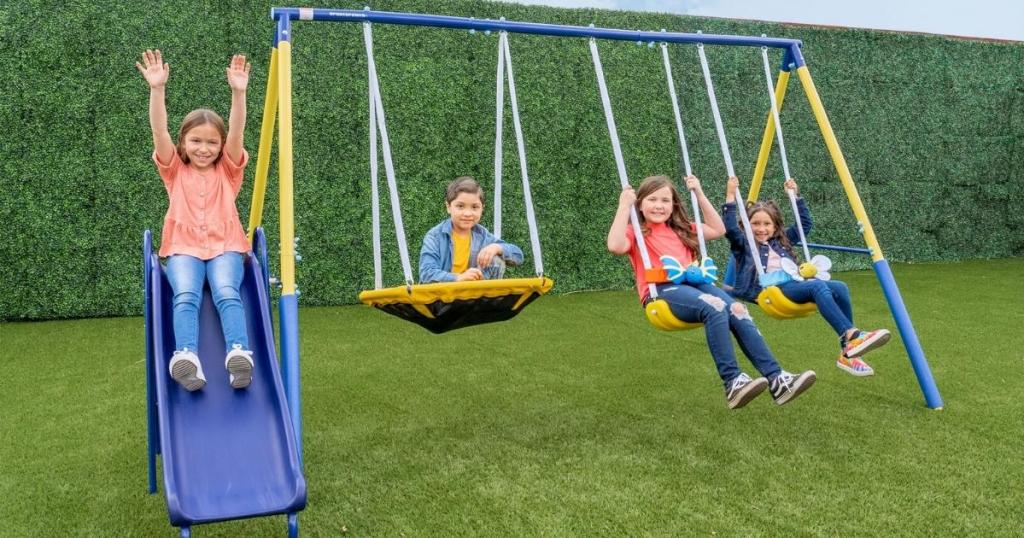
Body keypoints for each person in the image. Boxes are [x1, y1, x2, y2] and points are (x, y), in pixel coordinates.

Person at [608, 175, 816, 408]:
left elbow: (717, 229)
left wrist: (699, 193)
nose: (659, 205)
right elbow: (615, 246)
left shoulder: (683, 229)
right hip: (663, 290)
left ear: (674, 204)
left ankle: (777, 379)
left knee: (738, 309)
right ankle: (733, 381)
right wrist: (623, 206)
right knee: (715, 306)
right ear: (640, 204)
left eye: (665, 200)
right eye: (652, 199)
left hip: (696, 285)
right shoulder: (636, 231)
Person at [137, 49, 255, 391]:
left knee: (226, 291)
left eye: (211, 143)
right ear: (184, 144)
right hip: (184, 248)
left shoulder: (228, 171)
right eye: (196, 141)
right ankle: (186, 356)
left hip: (225, 247)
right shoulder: (174, 171)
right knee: (185, 293)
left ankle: (239, 354)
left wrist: (239, 93)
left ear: (220, 147)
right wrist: (157, 90)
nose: (204, 148)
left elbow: (236, 132)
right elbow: (159, 131)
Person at [723, 177, 891, 376]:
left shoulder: (782, 240)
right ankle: (850, 335)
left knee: (840, 287)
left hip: (791, 284)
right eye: (755, 223)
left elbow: (805, 224)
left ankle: (848, 353)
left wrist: (796, 197)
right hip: (770, 291)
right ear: (747, 226)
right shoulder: (744, 244)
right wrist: (730, 196)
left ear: (775, 227)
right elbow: (731, 229)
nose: (761, 228)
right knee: (817, 286)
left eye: (766, 224)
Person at [419, 176, 524, 283]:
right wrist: (458, 278)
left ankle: (487, 296)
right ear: (448, 207)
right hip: (442, 296)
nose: (468, 213)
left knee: (496, 260)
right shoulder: (435, 236)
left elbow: (518, 256)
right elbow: (427, 273)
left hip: (474, 295)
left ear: (482, 208)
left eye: (474, 207)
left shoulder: (482, 235)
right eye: (460, 206)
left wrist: (497, 247)